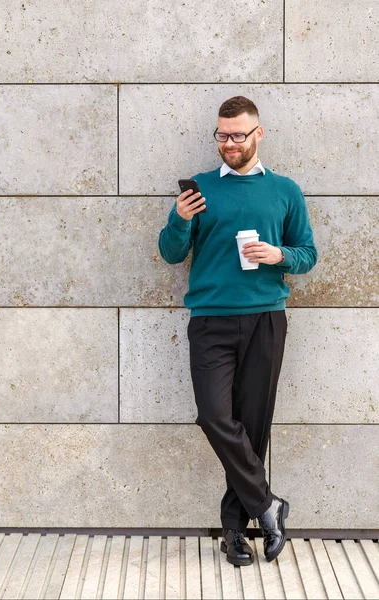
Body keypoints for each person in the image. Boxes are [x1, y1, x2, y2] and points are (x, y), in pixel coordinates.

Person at [158, 95, 318, 566]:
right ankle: (268, 505)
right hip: (210, 320)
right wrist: (180, 218)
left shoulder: (286, 190)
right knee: (213, 416)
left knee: (253, 426)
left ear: (258, 134)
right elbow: (170, 254)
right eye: (222, 135)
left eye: (238, 135)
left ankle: (235, 532)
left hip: (267, 318)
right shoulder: (201, 189)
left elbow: (307, 253)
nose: (229, 143)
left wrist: (279, 256)